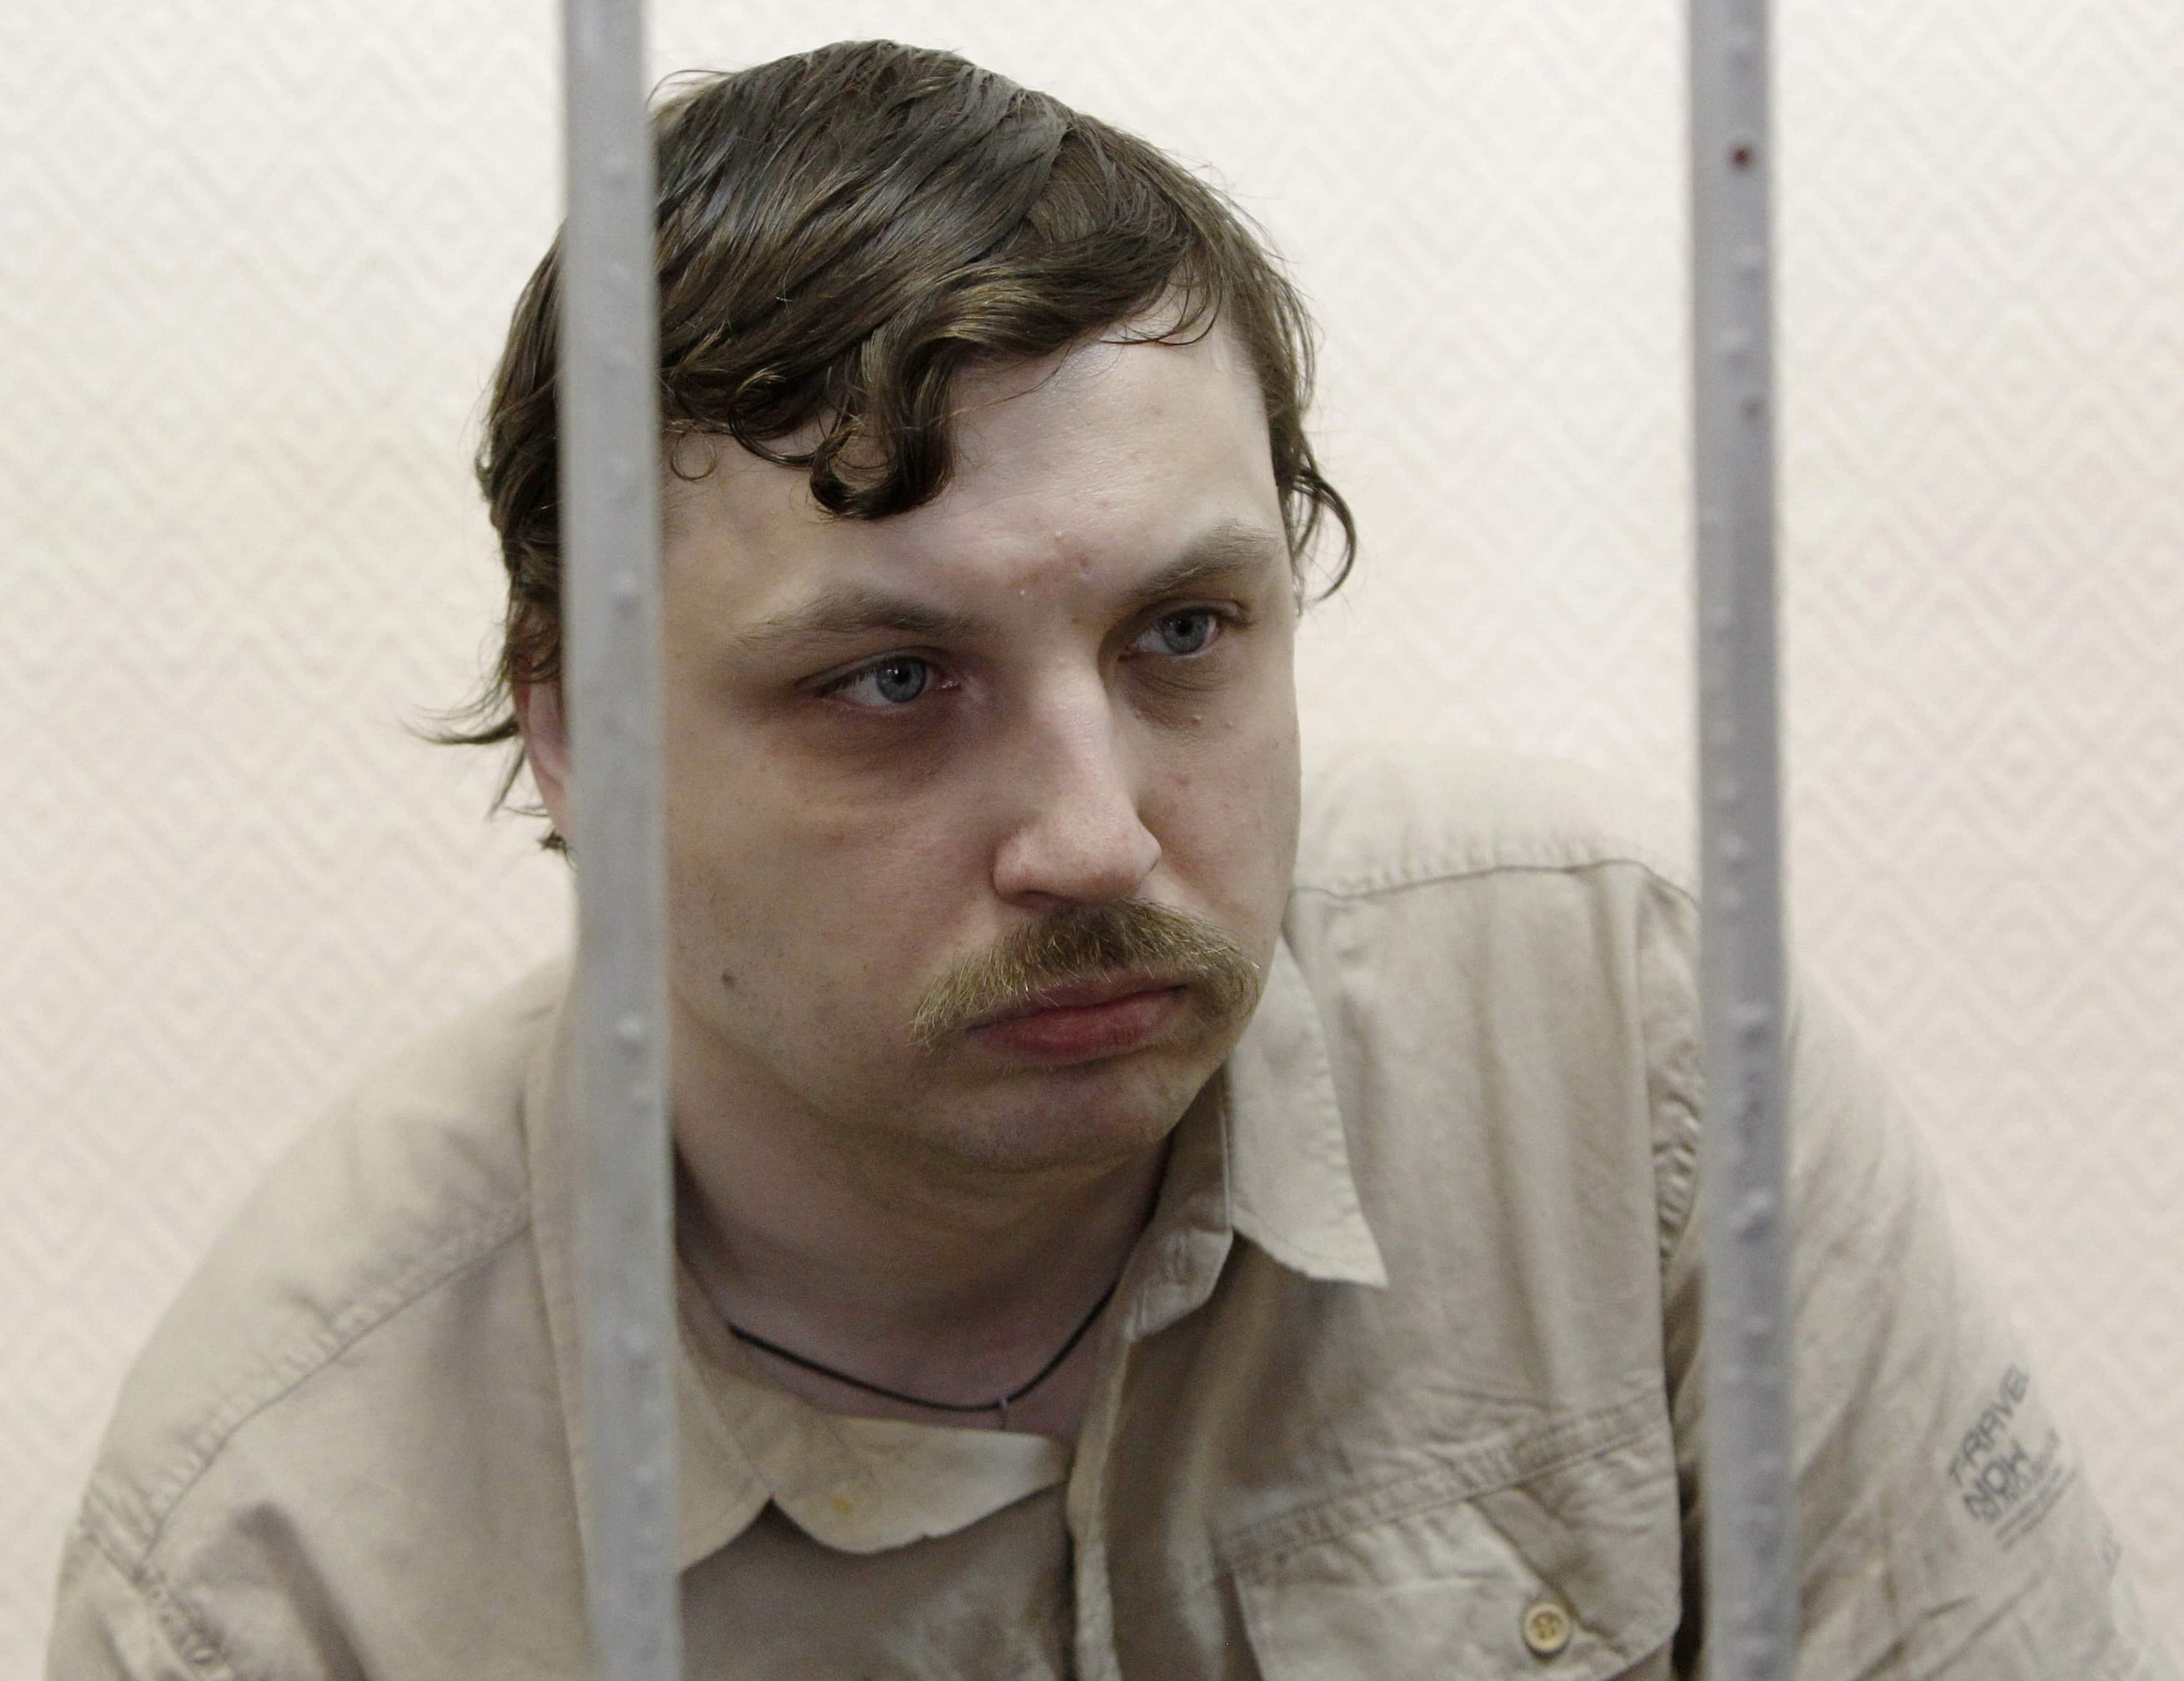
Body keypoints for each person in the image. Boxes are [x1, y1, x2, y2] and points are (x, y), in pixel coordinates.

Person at [47, 39, 2174, 1680]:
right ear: (570, 725)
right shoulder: (284, 1548)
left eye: (1182, 637)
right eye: (892, 681)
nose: (1095, 833)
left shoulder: (1610, 1039)